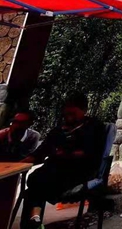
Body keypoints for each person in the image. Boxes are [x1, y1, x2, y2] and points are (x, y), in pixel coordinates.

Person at [21, 92, 106, 229]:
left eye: (73, 113)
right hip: (52, 172)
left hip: (78, 171)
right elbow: (42, 151)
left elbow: (91, 154)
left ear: (84, 110)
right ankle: (34, 222)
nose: (69, 116)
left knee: (35, 185)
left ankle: (34, 221)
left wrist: (66, 154)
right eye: (67, 113)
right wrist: (20, 164)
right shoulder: (59, 130)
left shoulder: (94, 127)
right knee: (34, 183)